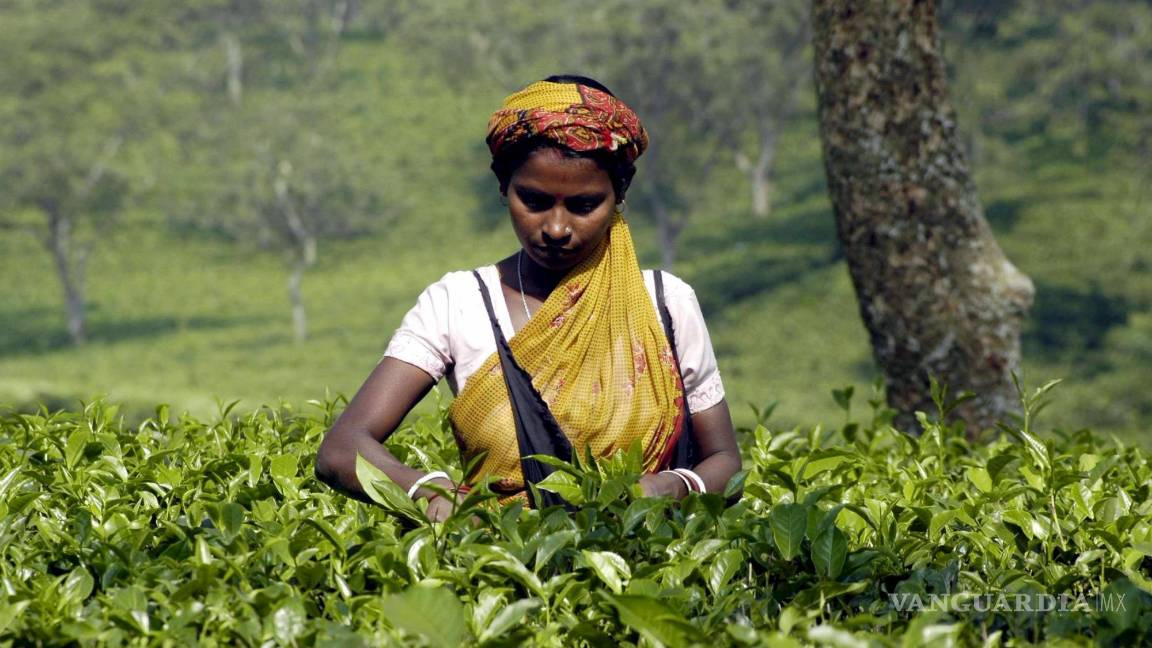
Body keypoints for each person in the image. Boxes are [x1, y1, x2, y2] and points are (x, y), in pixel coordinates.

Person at [314, 75, 740, 521]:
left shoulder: (666, 303)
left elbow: (725, 462)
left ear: (620, 194)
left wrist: (673, 486)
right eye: (533, 200)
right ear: (503, 187)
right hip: (499, 570)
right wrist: (433, 492)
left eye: (583, 205)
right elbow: (343, 449)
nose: (556, 228)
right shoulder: (459, 304)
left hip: (648, 574)